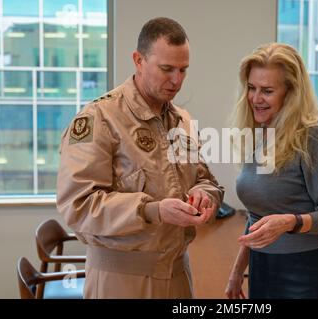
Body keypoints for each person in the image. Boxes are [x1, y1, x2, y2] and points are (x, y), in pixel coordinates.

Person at [56, 17, 224, 299]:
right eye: (166, 69)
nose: (177, 80)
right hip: (121, 279)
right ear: (138, 60)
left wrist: (204, 194)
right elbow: (78, 206)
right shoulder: (100, 118)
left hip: (178, 273)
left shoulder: (181, 120)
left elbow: (205, 179)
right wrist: (152, 210)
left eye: (183, 70)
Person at [225, 43, 318, 299]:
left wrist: (291, 222)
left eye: (267, 91)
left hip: (309, 269)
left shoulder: (314, 135)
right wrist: (238, 271)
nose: (256, 99)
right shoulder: (260, 133)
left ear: (290, 92)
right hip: (263, 267)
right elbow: (256, 217)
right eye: (251, 88)